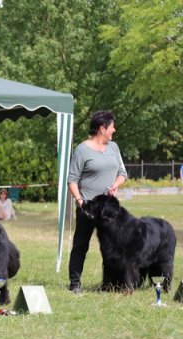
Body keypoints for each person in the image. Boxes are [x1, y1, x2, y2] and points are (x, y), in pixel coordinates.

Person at [67, 110, 127, 294]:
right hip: (89, 209)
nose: (114, 130)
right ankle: (75, 283)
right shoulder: (82, 150)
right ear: (102, 128)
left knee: (111, 247)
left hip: (109, 210)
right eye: (111, 127)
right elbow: (72, 179)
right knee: (81, 245)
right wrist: (80, 201)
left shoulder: (114, 148)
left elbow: (122, 173)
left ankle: (110, 283)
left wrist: (116, 185)